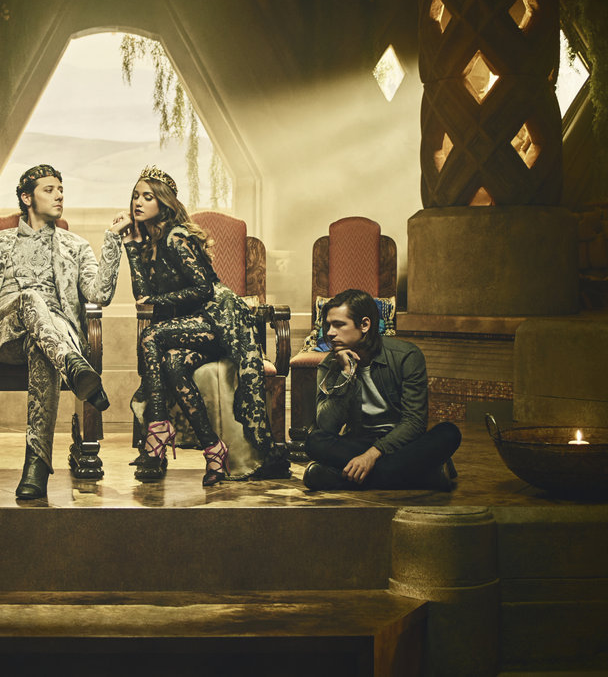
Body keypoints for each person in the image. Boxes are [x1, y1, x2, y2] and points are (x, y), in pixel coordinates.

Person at [0, 164, 127, 500]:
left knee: (42, 348)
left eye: (61, 190)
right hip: (4, 338)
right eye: (49, 190)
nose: (59, 196)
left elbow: (99, 294)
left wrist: (113, 239)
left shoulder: (76, 246)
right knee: (30, 298)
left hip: (49, 339)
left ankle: (36, 466)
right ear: (27, 197)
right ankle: (73, 365)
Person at [123, 166, 290, 486]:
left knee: (152, 335)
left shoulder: (176, 237)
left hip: (219, 319)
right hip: (193, 324)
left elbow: (204, 289)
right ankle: (213, 448)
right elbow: (142, 294)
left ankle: (157, 426)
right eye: (135, 196)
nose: (138, 202)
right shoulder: (151, 242)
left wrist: (160, 300)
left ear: (164, 202)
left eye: (148, 197)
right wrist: (130, 244)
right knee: (172, 362)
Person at [303, 288, 461, 490]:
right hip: (360, 441)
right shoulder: (330, 365)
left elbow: (415, 422)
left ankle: (338, 478)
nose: (330, 332)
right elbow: (326, 426)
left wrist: (371, 456)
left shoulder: (406, 356)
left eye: (339, 325)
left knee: (449, 433)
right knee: (314, 441)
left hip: (402, 443)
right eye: (329, 325)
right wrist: (346, 374)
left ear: (365, 325)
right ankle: (424, 476)